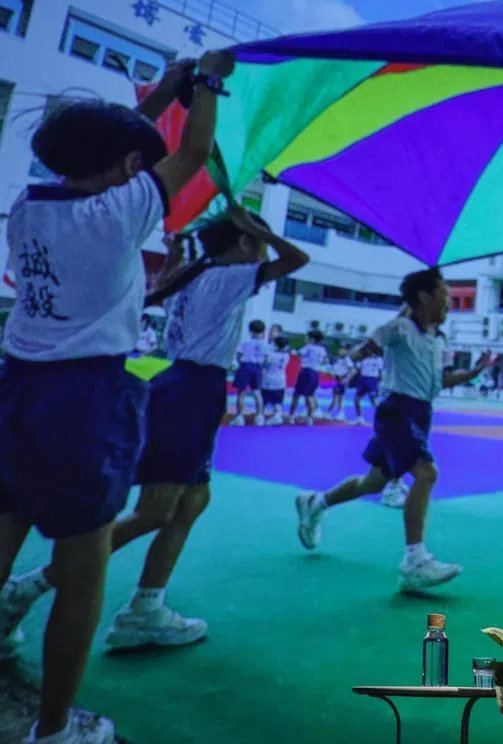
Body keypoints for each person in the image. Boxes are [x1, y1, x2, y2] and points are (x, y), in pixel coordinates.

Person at [0, 51, 232, 744]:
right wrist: (211, 83)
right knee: (83, 574)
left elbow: (99, 142)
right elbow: (193, 151)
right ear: (130, 166)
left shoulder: (29, 205)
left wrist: (166, 90)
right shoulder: (119, 214)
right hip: (86, 399)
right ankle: (52, 731)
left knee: (4, 537)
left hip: (15, 387)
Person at [0, 207, 309, 653]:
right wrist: (264, 235)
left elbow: (167, 284)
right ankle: (28, 588)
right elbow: (297, 261)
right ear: (244, 244)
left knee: (193, 502)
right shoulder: (227, 276)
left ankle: (146, 607)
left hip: (184, 386)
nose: (261, 246)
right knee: (156, 512)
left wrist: (180, 253)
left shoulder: (195, 275)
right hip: (192, 391)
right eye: (257, 240)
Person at [293, 268, 490, 592]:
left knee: (373, 481)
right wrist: (358, 353)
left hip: (421, 413)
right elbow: (365, 348)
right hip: (396, 412)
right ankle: (414, 561)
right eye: (443, 294)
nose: (449, 302)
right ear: (425, 298)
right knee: (426, 474)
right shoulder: (399, 328)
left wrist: (474, 372)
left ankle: (316, 503)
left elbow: (442, 380)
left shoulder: (438, 338)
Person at [230, 319, 268, 426]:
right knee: (257, 392)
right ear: (262, 331)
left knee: (241, 392)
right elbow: (266, 359)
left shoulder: (245, 343)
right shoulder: (265, 345)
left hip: (245, 366)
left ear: (250, 330)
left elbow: (238, 356)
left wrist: (238, 365)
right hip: (257, 367)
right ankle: (260, 417)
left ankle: (239, 417)